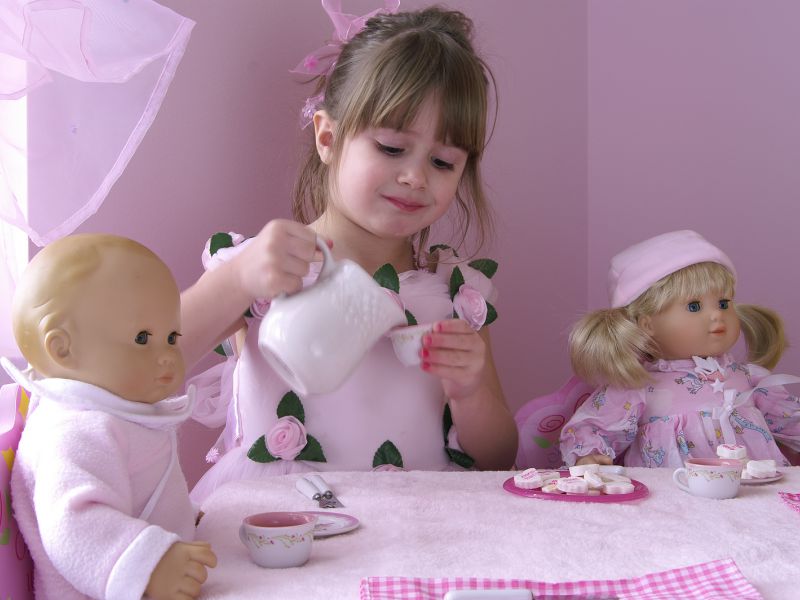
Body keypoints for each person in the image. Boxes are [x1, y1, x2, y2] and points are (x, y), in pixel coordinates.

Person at [182, 3, 518, 503]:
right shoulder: (265, 265)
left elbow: (498, 459)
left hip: (417, 524)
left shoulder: (456, 294)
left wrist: (471, 394)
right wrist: (238, 280)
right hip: (280, 519)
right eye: (391, 148)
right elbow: (148, 361)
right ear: (328, 138)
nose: (415, 177)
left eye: (443, 162)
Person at [2, 234, 216, 600]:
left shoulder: (114, 412)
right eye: (143, 338)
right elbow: (74, 523)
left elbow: (132, 484)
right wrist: (151, 565)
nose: (167, 354)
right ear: (63, 348)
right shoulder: (75, 429)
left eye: (171, 337)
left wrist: (177, 513)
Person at [559, 229, 800, 468]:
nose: (717, 314)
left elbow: (790, 421)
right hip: (672, 490)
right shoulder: (638, 386)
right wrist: (590, 456)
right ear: (647, 324)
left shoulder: (750, 378)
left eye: (723, 303)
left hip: (753, 489)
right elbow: (593, 428)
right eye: (694, 306)